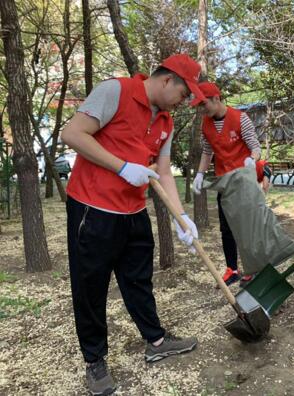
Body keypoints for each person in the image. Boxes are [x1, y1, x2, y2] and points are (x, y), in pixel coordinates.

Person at [61, 54, 205, 395]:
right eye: (185, 94)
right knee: (91, 286)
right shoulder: (116, 91)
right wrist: (122, 166)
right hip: (93, 209)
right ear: (167, 80)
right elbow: (73, 133)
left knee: (138, 279)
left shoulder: (166, 122)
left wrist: (180, 216)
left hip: (133, 211)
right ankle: (95, 361)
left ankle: (155, 341)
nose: (185, 103)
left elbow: (165, 170)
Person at [190, 82, 262, 287]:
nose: (201, 110)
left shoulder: (241, 119)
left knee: (246, 227)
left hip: (242, 180)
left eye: (203, 104)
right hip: (224, 181)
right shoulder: (206, 123)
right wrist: (199, 174)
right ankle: (232, 269)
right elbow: (207, 151)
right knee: (226, 228)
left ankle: (252, 269)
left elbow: (255, 146)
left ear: (216, 98)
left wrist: (252, 159)